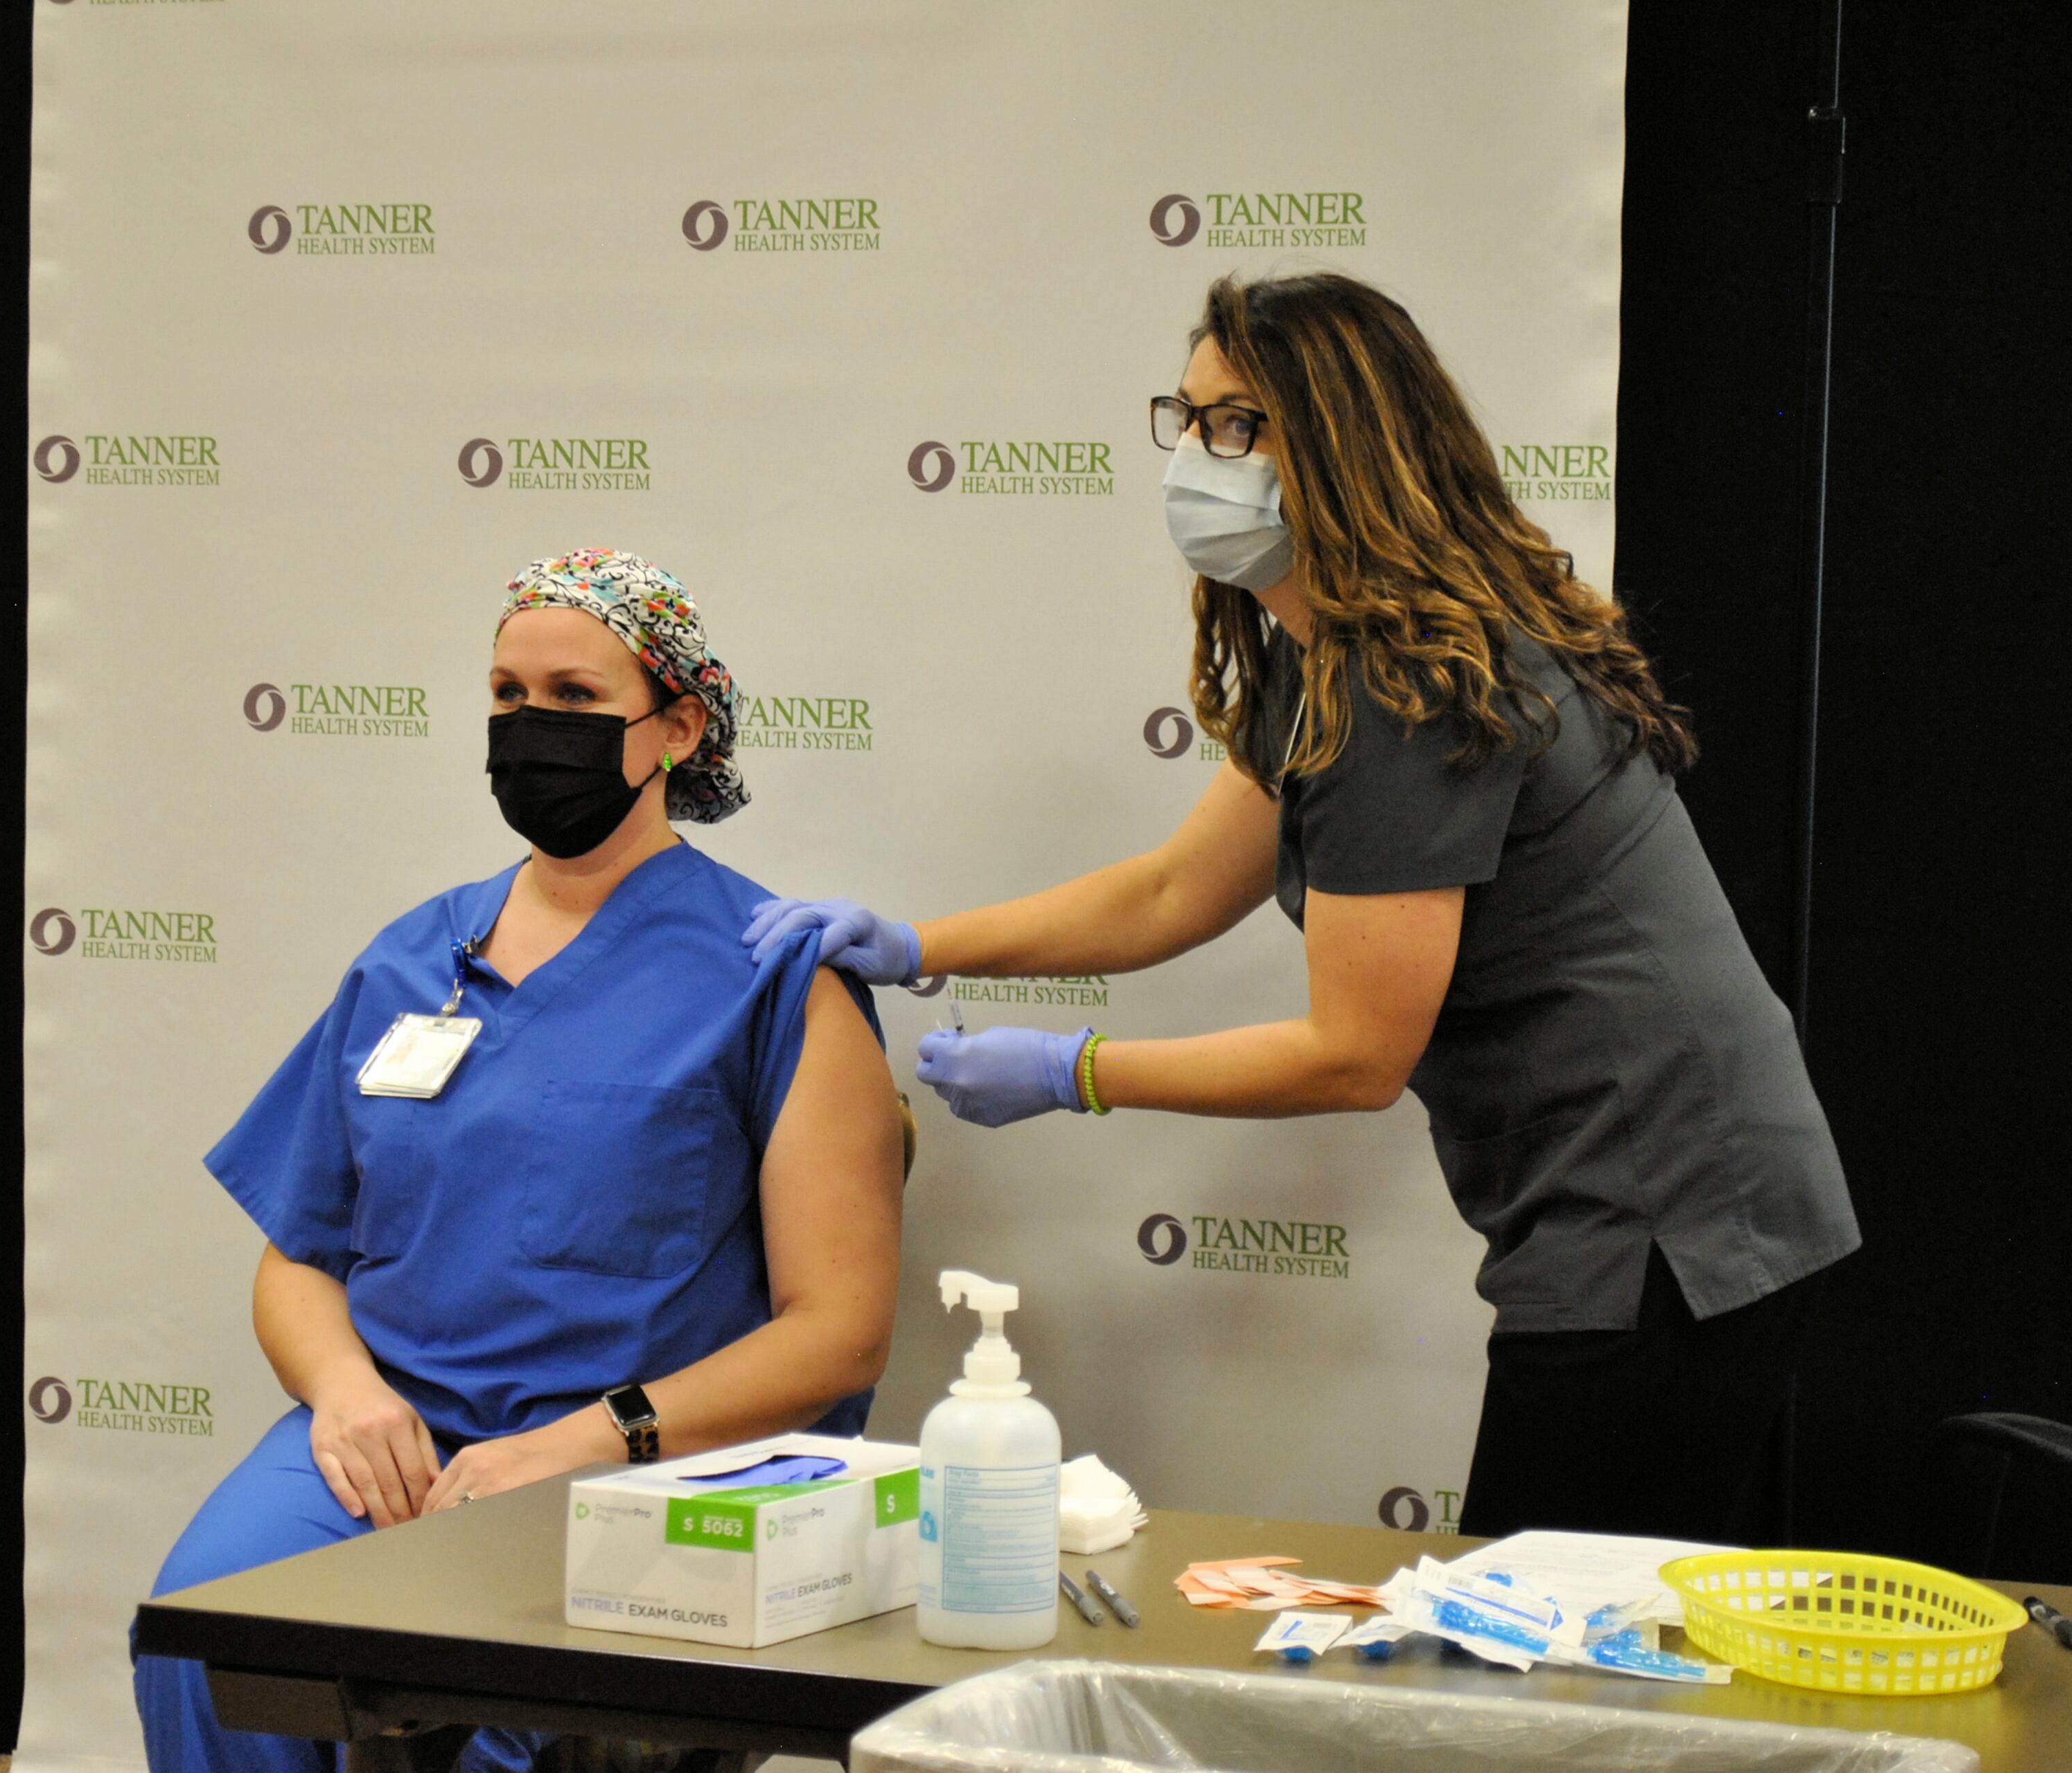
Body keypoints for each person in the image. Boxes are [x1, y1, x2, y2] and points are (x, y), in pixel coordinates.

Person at [746, 273, 1859, 1546]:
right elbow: (1176, 888)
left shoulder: (1409, 680)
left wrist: (1077, 1070)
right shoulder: (1330, 655)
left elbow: (1354, 1054)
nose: (1196, 457)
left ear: (1336, 439)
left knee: (1535, 1670)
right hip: (1652, 1205)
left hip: (1672, 1223)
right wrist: (920, 944)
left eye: (1237, 426)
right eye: (1191, 419)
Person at [137, 549, 905, 1773]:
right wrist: (345, 1391)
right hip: (395, 1435)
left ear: (678, 727)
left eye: (577, 698)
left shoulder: (778, 975)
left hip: (640, 1456)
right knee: (210, 1636)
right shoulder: (413, 958)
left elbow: (840, 1333)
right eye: (507, 694)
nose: (531, 725)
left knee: (486, 1711)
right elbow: (297, 1257)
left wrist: (586, 1440)